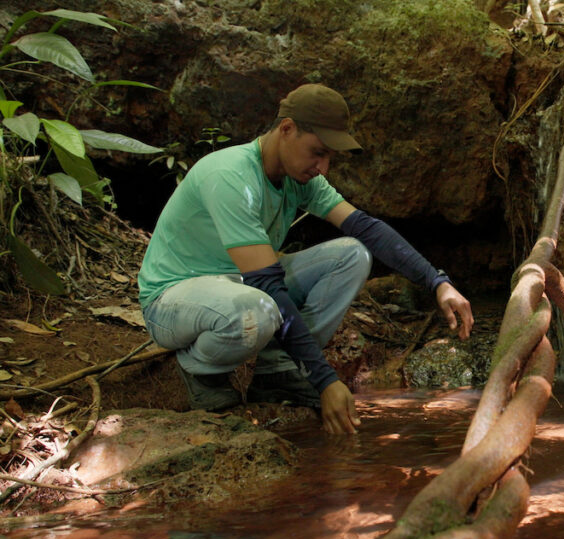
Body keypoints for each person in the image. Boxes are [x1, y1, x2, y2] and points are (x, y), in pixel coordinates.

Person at [138, 83, 474, 435]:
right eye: (317, 152)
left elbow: (367, 229)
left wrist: (438, 282)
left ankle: (277, 370)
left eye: (329, 157)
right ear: (286, 129)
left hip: (237, 286)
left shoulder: (298, 178)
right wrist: (325, 380)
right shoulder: (231, 176)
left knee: (352, 255)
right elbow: (266, 284)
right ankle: (198, 368)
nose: (323, 167)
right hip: (172, 300)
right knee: (258, 311)